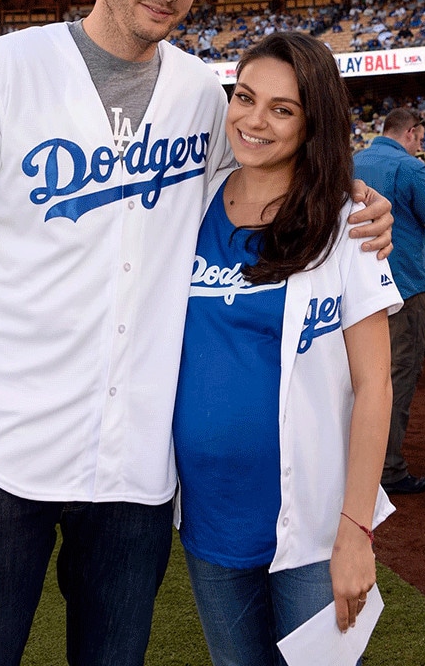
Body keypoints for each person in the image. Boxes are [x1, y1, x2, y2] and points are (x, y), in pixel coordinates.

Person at [0, 0, 392, 666]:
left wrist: (355, 191)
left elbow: (270, 169)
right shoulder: (4, 71)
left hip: (133, 465)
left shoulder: (199, 95)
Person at [172, 33, 401, 666]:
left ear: (312, 123)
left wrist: (356, 532)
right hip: (210, 521)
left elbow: (375, 386)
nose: (254, 119)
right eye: (245, 98)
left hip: (314, 528)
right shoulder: (189, 206)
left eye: (282, 108)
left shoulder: (346, 224)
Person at [354, 108, 425, 495]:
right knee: (395, 378)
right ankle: (388, 468)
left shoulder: (353, 160)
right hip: (403, 286)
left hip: (354, 286)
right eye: (421, 136)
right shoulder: (409, 167)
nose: (422, 143)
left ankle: (355, 459)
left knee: (356, 379)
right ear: (410, 133)